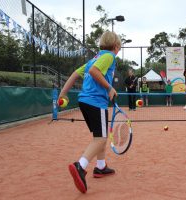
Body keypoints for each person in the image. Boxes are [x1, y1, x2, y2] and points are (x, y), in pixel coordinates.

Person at [58, 31, 121, 193]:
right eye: (119, 47)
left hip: (84, 101)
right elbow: (94, 72)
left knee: (99, 136)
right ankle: (80, 166)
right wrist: (110, 87)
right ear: (116, 46)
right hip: (95, 101)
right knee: (101, 138)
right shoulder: (109, 56)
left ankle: (100, 167)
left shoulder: (94, 58)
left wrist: (62, 94)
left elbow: (74, 74)